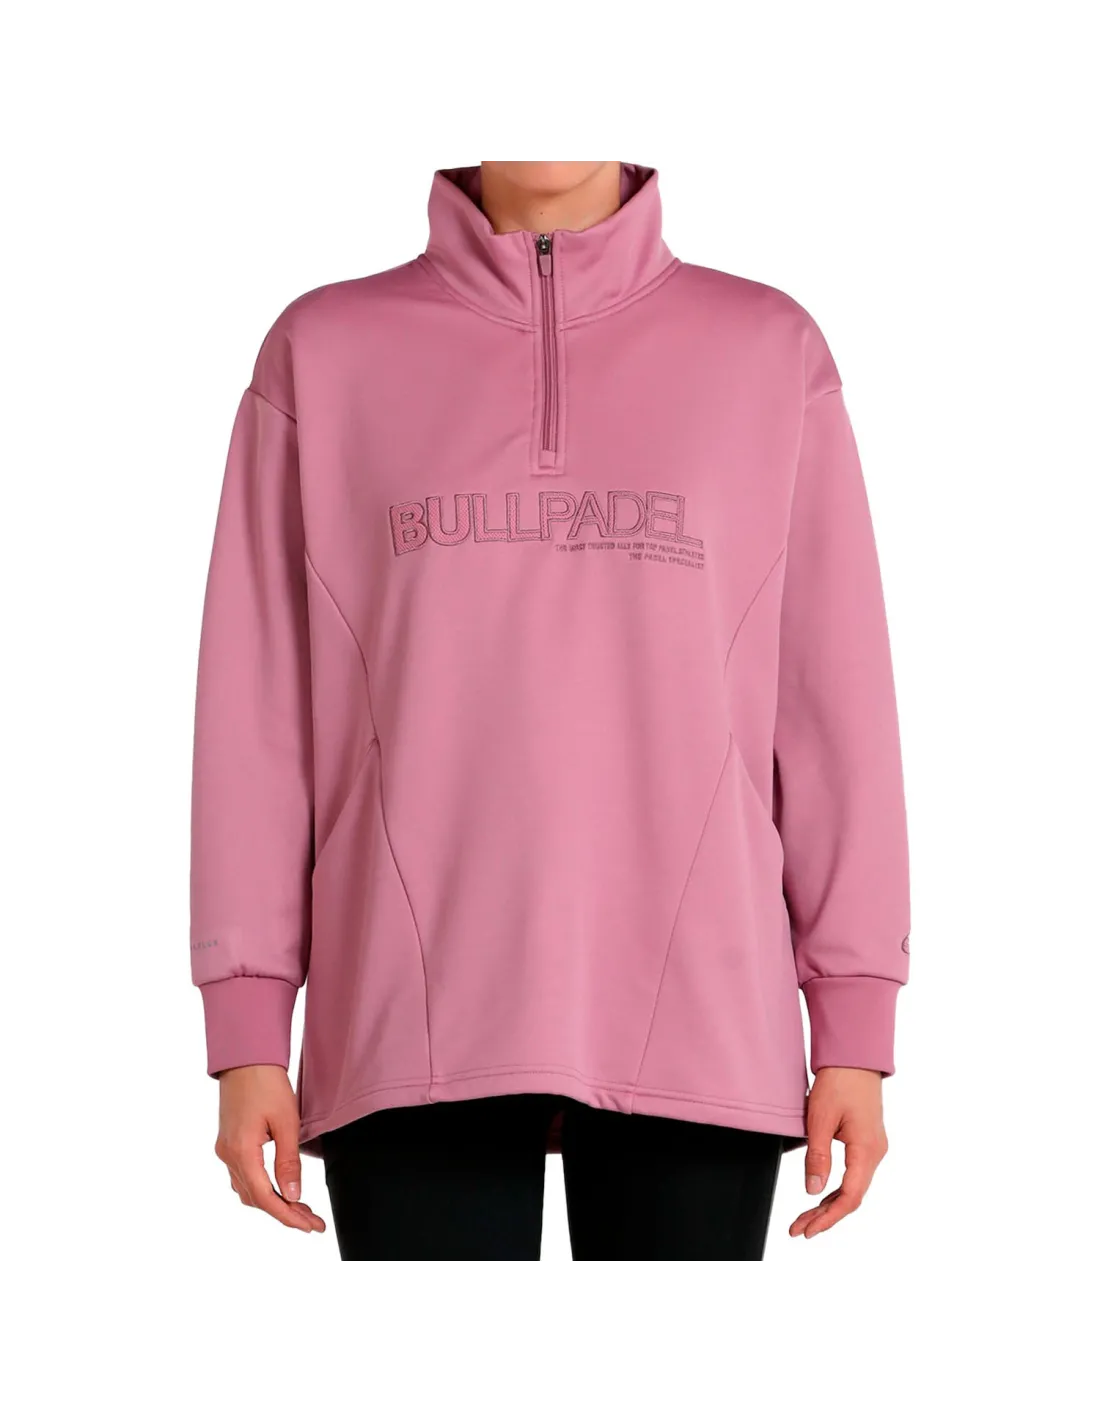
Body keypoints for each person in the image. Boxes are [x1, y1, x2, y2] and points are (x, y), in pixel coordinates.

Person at [190, 158, 911, 1264]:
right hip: (403, 1015)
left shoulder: (768, 351)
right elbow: (257, 712)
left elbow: (833, 706)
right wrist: (247, 1027)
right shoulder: (323, 352)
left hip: (706, 1011)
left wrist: (853, 1020)